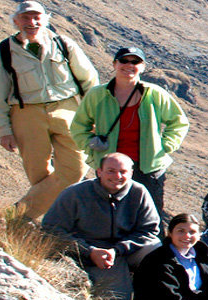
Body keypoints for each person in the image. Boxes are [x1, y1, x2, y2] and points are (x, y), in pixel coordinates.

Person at [0, 0, 99, 220]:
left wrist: (93, 114)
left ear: (45, 19)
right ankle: (38, 225)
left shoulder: (64, 45)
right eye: (26, 18)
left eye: (37, 17)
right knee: (38, 175)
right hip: (26, 114)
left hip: (68, 110)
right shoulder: (3, 51)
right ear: (16, 22)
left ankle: (12, 217)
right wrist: (3, 130)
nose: (32, 22)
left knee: (76, 169)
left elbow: (89, 80)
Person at [70, 47, 188, 225]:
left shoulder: (155, 94)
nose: (129, 65)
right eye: (124, 61)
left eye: (135, 62)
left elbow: (179, 122)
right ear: (114, 64)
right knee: (108, 216)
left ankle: (151, 252)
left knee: (150, 218)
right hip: (111, 168)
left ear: (142, 67)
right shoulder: (97, 95)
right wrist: (91, 147)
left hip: (149, 167)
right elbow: (79, 126)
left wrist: (165, 146)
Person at [42, 153, 159, 300]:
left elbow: (150, 229)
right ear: (99, 172)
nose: (117, 176)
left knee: (156, 248)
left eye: (123, 172)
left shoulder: (138, 192)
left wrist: (117, 250)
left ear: (131, 173)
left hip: (123, 250)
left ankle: (154, 297)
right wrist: (89, 251)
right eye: (110, 171)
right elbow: (51, 229)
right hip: (89, 252)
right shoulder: (75, 193)